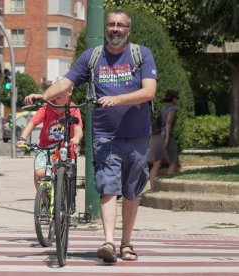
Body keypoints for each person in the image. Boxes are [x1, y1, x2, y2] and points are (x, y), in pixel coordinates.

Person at [25, 9, 158, 263]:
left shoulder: (142, 55)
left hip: (137, 134)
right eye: (111, 24)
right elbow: (66, 81)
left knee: (132, 190)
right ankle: (108, 242)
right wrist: (44, 96)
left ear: (128, 30)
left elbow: (149, 91)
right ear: (106, 28)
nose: (115, 29)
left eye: (120, 25)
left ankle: (126, 243)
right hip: (105, 135)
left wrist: (117, 99)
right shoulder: (93, 57)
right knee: (108, 185)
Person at [17, 77, 83, 190]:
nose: (56, 93)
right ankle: (43, 200)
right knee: (39, 173)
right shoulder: (47, 107)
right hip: (45, 147)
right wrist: (23, 138)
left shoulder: (73, 109)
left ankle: (64, 194)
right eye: (54, 89)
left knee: (66, 171)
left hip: (64, 147)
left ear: (70, 91)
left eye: (60, 90)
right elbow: (32, 123)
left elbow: (78, 128)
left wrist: (76, 138)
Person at [148, 89, 179, 190]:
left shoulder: (163, 108)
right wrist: (166, 139)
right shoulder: (173, 109)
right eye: (177, 98)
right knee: (173, 162)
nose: (177, 100)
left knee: (157, 163)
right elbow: (169, 123)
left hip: (156, 137)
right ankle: (169, 187)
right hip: (165, 136)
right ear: (173, 98)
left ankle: (153, 188)